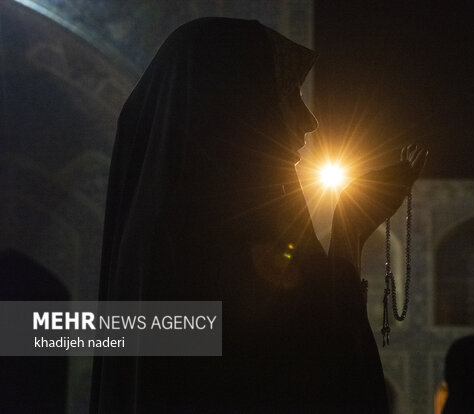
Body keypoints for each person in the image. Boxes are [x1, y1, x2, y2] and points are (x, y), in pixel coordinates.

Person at [90, 17, 427, 413]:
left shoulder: (163, 235)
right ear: (238, 103)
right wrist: (350, 228)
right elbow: (325, 379)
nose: (309, 121)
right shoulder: (206, 247)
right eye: (288, 93)